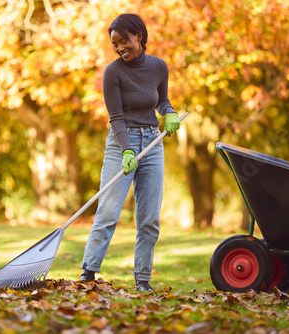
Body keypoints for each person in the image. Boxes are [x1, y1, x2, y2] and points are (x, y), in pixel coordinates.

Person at [80, 13, 181, 292]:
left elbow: (161, 101)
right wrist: (126, 151)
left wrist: (169, 113)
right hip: (120, 144)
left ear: (139, 36)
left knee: (149, 218)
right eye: (115, 44)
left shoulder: (159, 67)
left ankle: (143, 280)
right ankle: (88, 273)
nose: (119, 48)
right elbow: (116, 118)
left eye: (123, 41)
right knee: (109, 211)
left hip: (152, 143)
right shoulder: (113, 73)